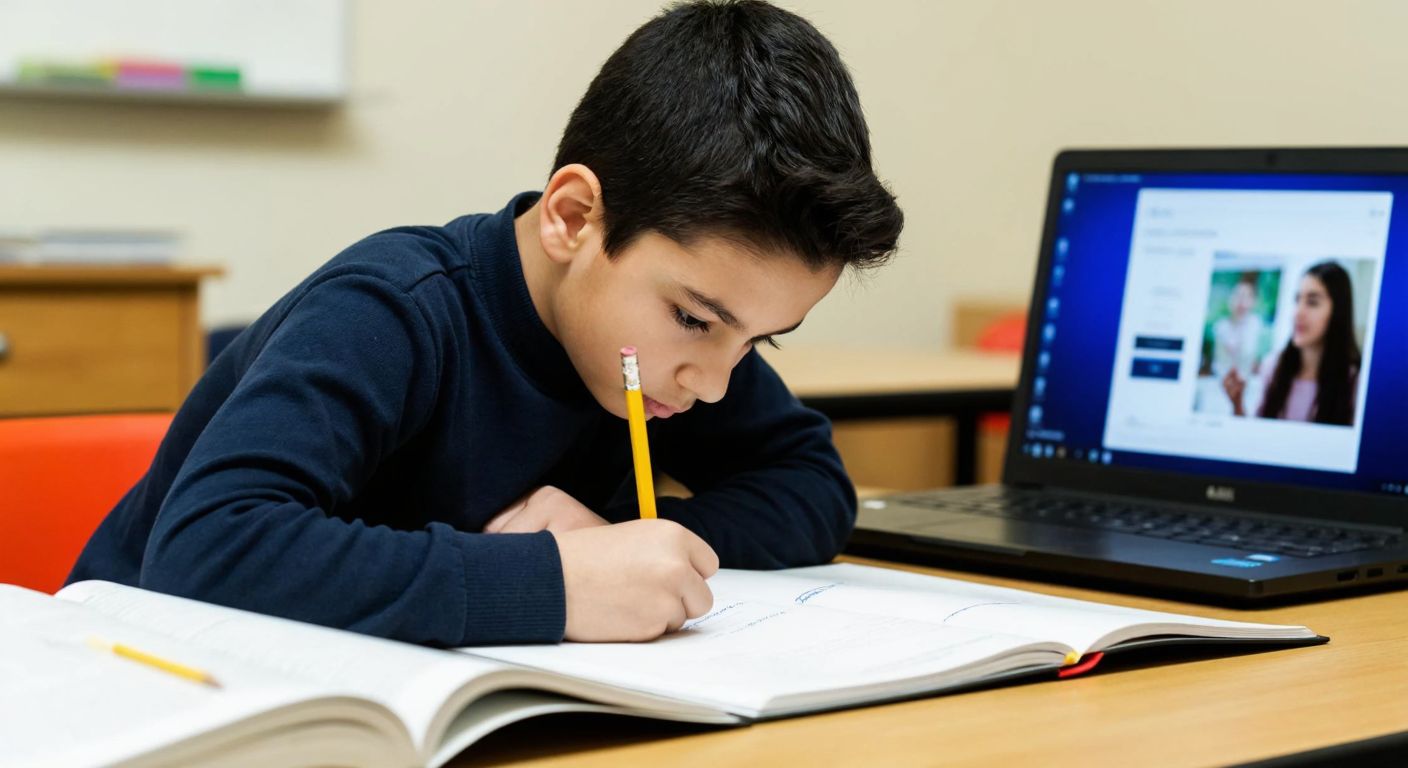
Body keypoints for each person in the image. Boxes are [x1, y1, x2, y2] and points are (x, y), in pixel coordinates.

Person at [66, 0, 903, 647]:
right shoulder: (395, 310)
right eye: (694, 319)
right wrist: (549, 583)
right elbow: (209, 544)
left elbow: (811, 483)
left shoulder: (679, 350)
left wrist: (626, 546)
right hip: (145, 683)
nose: (718, 380)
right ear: (573, 218)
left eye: (760, 340)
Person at [1222, 261, 1360, 425]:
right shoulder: (1273, 367)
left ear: (1338, 312)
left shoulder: (1355, 381)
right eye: (1297, 300)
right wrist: (1237, 405)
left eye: (1312, 302)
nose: (1297, 313)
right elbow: (1258, 439)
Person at [1210, 272, 1265, 379]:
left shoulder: (1256, 325)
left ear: (1253, 301)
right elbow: (1218, 364)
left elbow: (1255, 362)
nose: (1241, 301)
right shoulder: (1221, 326)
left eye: (1246, 297)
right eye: (1237, 295)